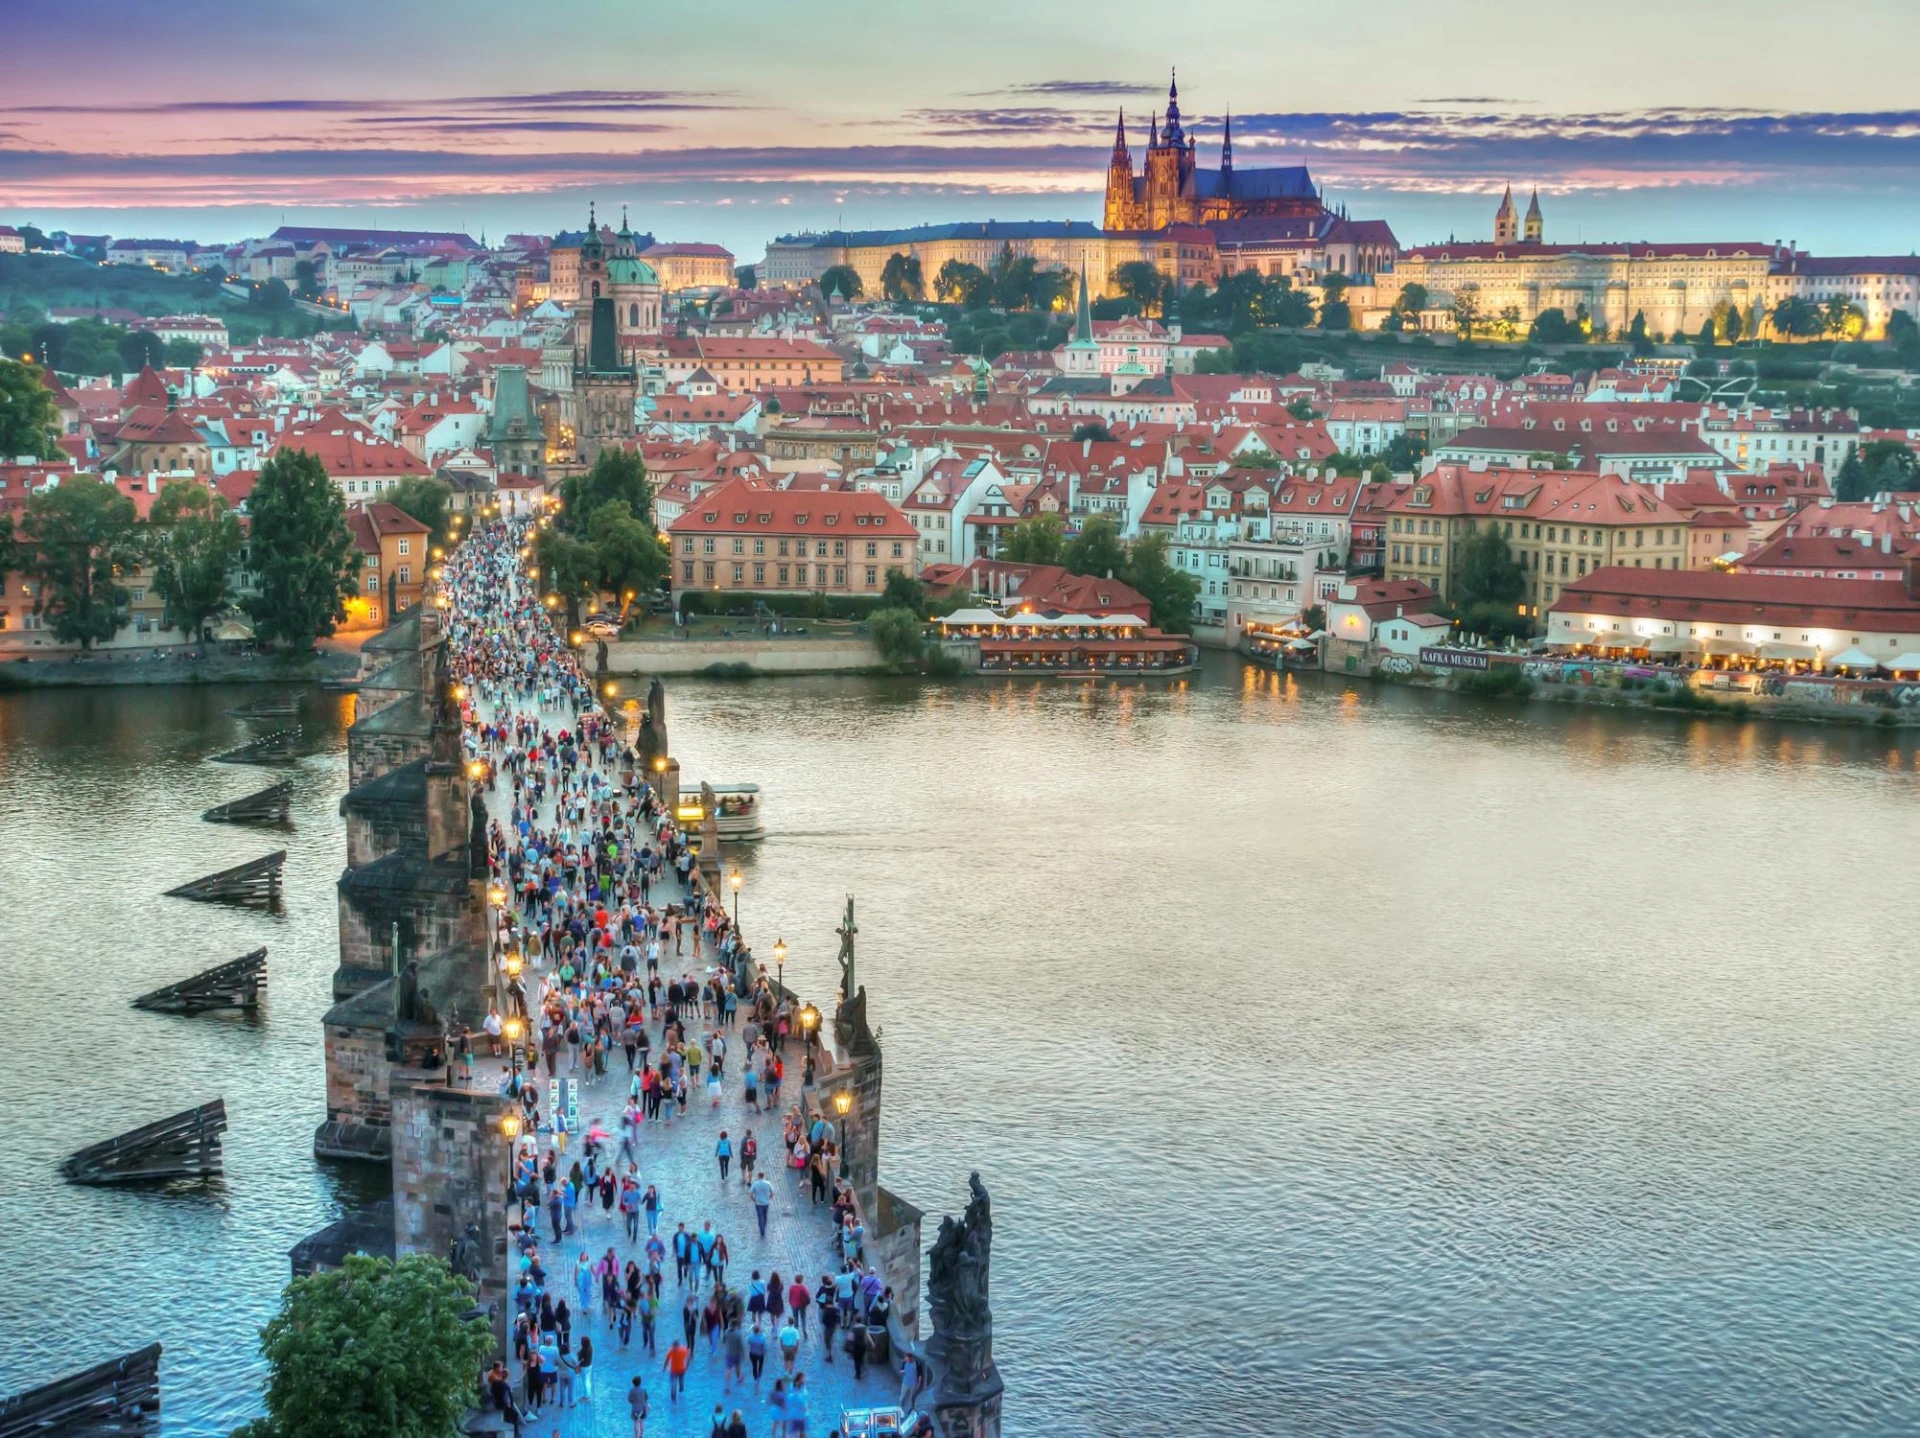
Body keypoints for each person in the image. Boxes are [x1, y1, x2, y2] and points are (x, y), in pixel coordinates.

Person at [663, 1337, 691, 1402]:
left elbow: (688, 1357)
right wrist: (664, 1367)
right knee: (674, 1386)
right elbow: (667, 1360)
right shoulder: (672, 1351)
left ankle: (680, 1395)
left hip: (681, 1371)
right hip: (675, 1371)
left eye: (675, 1347)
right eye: (674, 1347)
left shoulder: (680, 1350)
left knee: (681, 1386)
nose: (675, 1349)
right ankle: (674, 1401)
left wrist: (687, 1365)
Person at [751, 1173, 774, 1237]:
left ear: (758, 1176)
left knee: (760, 1217)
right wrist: (769, 1198)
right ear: (764, 1176)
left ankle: (762, 1229)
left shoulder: (755, 1184)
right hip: (766, 1203)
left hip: (758, 1203)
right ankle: (764, 1226)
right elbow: (772, 1193)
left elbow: (751, 1194)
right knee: (765, 1216)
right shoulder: (768, 1184)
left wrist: (754, 1200)